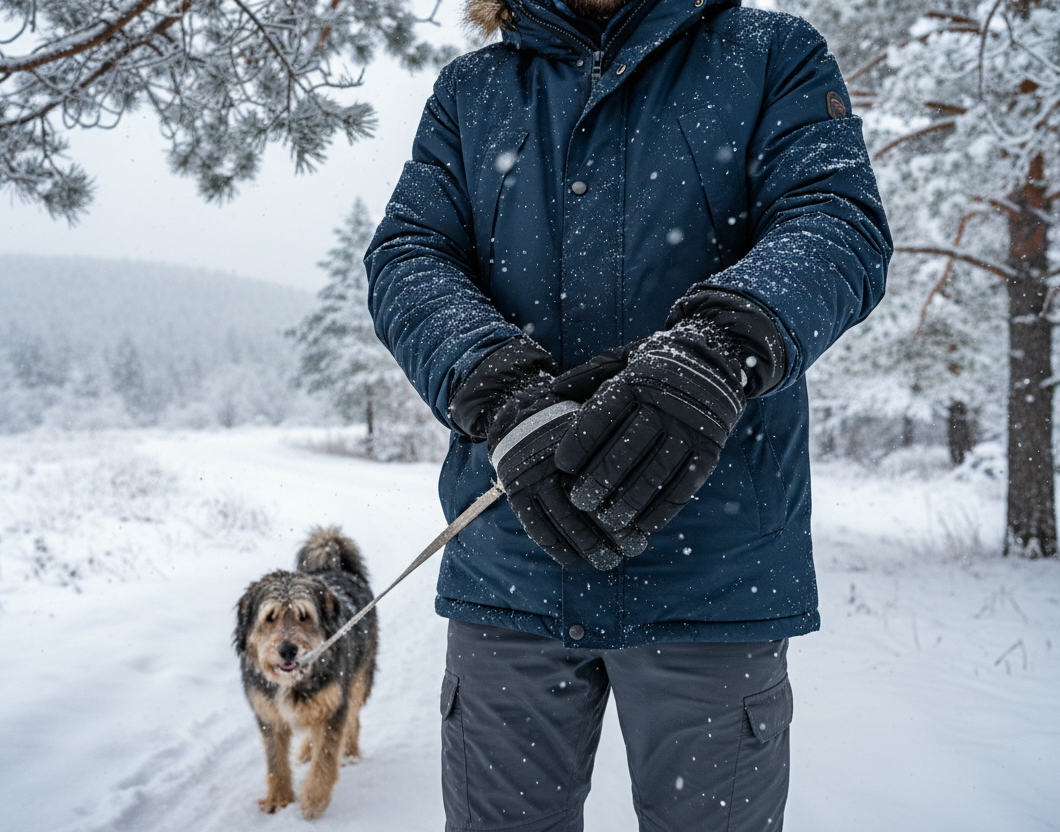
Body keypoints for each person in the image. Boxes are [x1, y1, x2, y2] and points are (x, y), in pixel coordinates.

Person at [365, 0, 891, 827]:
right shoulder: (471, 91)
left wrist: (714, 352)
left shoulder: (772, 55)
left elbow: (835, 220)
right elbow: (408, 256)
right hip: (513, 569)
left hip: (714, 576)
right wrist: (501, 392)